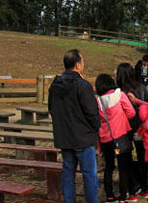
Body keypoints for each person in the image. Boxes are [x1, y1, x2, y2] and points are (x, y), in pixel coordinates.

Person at [48, 49, 100, 203]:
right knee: (89, 175)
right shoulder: (82, 85)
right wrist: (95, 128)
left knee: (68, 173)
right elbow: (92, 112)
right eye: (82, 62)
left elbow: (51, 109)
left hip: (64, 137)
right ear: (78, 65)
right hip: (83, 138)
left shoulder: (55, 85)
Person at [96, 74, 137, 203]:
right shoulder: (120, 95)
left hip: (106, 139)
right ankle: (123, 197)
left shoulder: (98, 101)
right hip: (121, 137)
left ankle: (109, 195)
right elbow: (131, 112)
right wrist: (121, 118)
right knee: (124, 167)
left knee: (109, 167)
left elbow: (98, 121)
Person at [116, 63, 148, 198]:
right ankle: (145, 186)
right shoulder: (141, 87)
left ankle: (133, 185)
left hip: (125, 129)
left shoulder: (118, 92)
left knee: (128, 159)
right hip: (141, 127)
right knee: (142, 156)